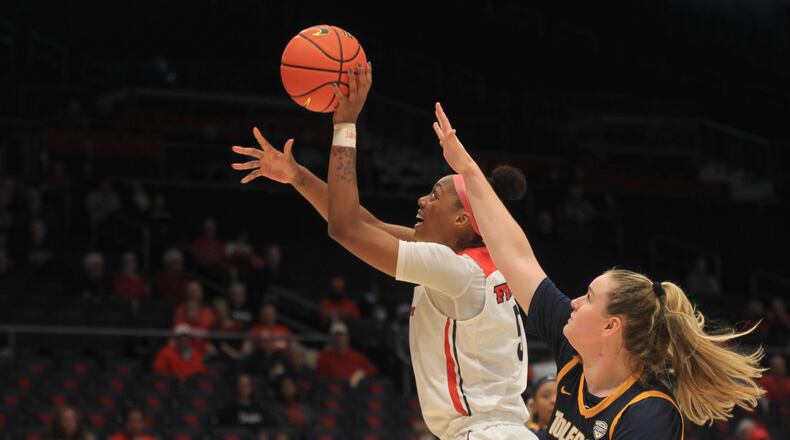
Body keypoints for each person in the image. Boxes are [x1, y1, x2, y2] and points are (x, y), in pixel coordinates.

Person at [232, 63, 534, 440]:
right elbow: (363, 221)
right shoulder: (481, 262)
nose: (422, 200)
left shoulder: (456, 272)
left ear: (462, 221)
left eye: (435, 195)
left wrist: (345, 125)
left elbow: (346, 228)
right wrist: (297, 176)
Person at [432, 102, 766, 440]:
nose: (574, 302)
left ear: (611, 326)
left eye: (589, 298)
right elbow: (517, 258)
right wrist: (469, 170)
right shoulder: (575, 350)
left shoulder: (648, 415)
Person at [315, 321, 377, 387]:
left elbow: (372, 370)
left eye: (342, 335)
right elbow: (319, 378)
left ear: (347, 337)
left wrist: (361, 374)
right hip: (334, 392)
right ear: (331, 338)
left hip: (354, 392)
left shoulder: (356, 355)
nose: (339, 339)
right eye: (336, 336)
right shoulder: (324, 356)